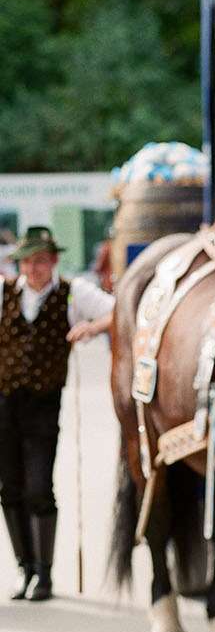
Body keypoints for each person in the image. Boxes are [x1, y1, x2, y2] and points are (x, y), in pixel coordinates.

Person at [0, 225, 114, 601]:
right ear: (20, 264)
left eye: (43, 261)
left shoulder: (72, 292)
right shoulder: (4, 292)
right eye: (30, 261)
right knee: (9, 489)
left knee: (38, 487)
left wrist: (90, 327)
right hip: (4, 406)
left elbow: (118, 312)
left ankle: (45, 575)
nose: (36, 268)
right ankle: (25, 569)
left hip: (43, 406)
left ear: (53, 261)